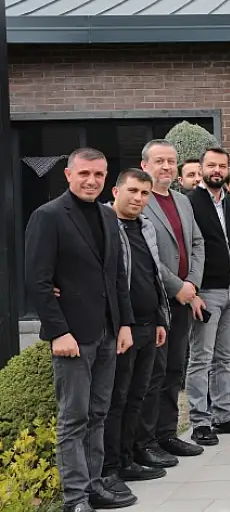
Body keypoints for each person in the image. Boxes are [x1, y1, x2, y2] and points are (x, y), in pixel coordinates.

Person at [25, 148, 136, 512]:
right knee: (73, 418)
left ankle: (93, 485)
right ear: (68, 174)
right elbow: (38, 281)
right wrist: (58, 332)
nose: (92, 180)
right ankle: (75, 499)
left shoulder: (107, 215)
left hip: (106, 332)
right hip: (72, 336)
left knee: (99, 414)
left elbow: (117, 276)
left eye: (99, 175)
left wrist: (124, 324)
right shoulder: (48, 216)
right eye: (85, 173)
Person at [135, 140, 206, 465]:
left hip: (183, 299)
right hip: (156, 301)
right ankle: (145, 441)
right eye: (160, 161)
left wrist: (191, 284)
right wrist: (178, 286)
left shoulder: (181, 200)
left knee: (174, 369)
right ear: (145, 164)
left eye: (171, 161)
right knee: (153, 374)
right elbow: (145, 254)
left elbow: (196, 242)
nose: (166, 167)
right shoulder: (139, 200)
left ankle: (168, 434)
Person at [102, 170, 171, 495]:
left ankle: (130, 456)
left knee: (137, 396)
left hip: (148, 324)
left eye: (144, 193)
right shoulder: (104, 225)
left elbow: (152, 274)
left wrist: (159, 318)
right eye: (132, 191)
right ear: (116, 190)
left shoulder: (145, 226)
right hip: (122, 329)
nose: (138, 198)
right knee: (117, 398)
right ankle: (110, 467)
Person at [186, 147, 230, 446]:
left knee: (225, 357)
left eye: (222, 166)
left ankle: (224, 414)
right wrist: (192, 291)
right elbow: (187, 250)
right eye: (211, 165)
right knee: (201, 358)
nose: (217, 170)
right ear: (201, 168)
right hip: (205, 292)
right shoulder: (189, 204)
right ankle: (200, 421)